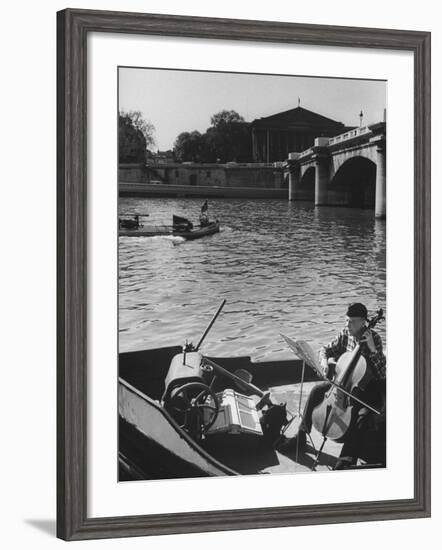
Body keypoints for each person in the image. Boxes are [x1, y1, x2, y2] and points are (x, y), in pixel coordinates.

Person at [280, 302, 386, 468]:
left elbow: (382, 373)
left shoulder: (375, 339)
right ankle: (301, 435)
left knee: (361, 415)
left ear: (363, 322)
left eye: (351, 322)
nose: (347, 325)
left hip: (366, 389)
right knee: (316, 391)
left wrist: (372, 350)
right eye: (346, 320)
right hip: (343, 383)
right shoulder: (346, 333)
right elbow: (325, 349)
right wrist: (324, 362)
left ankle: (346, 459)